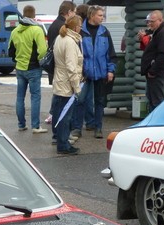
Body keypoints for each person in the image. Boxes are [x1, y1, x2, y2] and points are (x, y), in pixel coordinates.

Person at [75, 5, 115, 140]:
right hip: (84, 74)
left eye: (102, 15)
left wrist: (110, 70)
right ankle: (77, 128)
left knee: (100, 101)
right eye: (100, 15)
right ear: (91, 16)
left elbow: (110, 54)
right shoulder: (81, 31)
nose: (102, 18)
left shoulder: (104, 31)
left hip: (101, 72)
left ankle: (98, 128)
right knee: (80, 100)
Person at [9, 5, 47, 132]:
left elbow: (11, 51)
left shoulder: (15, 31)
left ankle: (21, 125)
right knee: (35, 97)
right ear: (34, 15)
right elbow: (42, 50)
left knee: (20, 97)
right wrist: (38, 60)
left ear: (23, 14)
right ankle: (35, 126)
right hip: (33, 68)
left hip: (20, 68)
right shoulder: (36, 30)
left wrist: (17, 60)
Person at [51, 14, 83, 156]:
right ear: (75, 27)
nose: (81, 29)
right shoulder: (70, 42)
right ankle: (63, 144)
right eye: (80, 26)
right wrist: (77, 87)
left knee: (58, 113)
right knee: (65, 116)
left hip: (59, 80)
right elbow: (71, 67)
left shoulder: (60, 38)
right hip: (67, 84)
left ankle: (58, 139)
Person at [44, 1, 76, 123]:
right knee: (62, 100)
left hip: (55, 67)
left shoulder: (53, 25)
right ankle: (55, 119)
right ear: (69, 12)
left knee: (57, 95)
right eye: (74, 12)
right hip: (62, 69)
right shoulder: (63, 27)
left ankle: (53, 116)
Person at [140, 10, 164, 112]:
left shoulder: (163, 33)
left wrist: (153, 71)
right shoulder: (156, 32)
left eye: (152, 21)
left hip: (156, 73)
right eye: (147, 21)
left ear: (160, 20)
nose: (149, 24)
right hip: (152, 72)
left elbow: (163, 55)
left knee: (157, 100)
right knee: (151, 98)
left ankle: (159, 124)